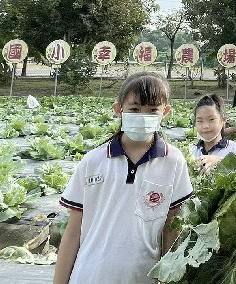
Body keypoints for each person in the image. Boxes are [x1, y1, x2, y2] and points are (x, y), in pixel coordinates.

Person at [53, 72, 194, 284]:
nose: (143, 116)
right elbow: (73, 232)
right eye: (135, 109)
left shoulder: (173, 161)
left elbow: (171, 229)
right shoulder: (94, 161)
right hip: (89, 275)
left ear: (165, 112)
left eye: (152, 110)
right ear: (119, 109)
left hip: (143, 277)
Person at [192, 94, 236, 173]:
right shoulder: (191, 150)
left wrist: (220, 162)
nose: (205, 126)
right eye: (200, 121)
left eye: (211, 119)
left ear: (223, 120)